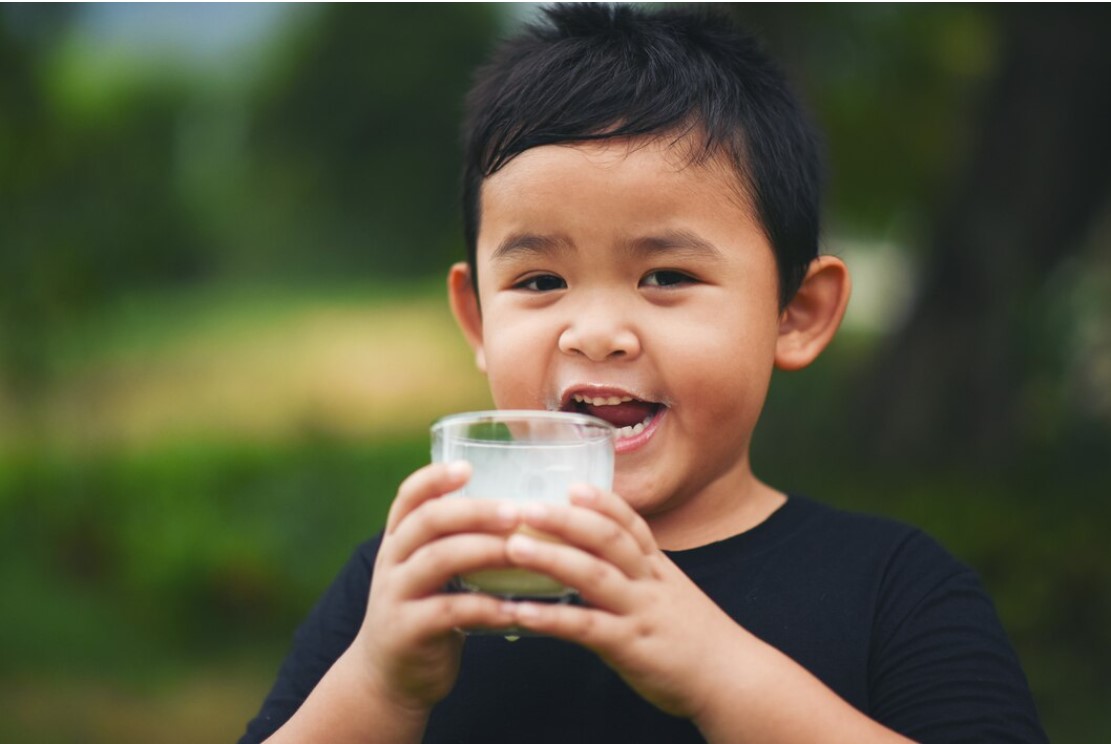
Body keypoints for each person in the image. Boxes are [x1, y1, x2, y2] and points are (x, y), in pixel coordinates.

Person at [241, 5, 1046, 743]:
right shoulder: (409, 586)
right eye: (539, 282)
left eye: (664, 276)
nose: (594, 334)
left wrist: (719, 670)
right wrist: (380, 683)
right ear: (478, 320)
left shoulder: (893, 590)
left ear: (794, 313)